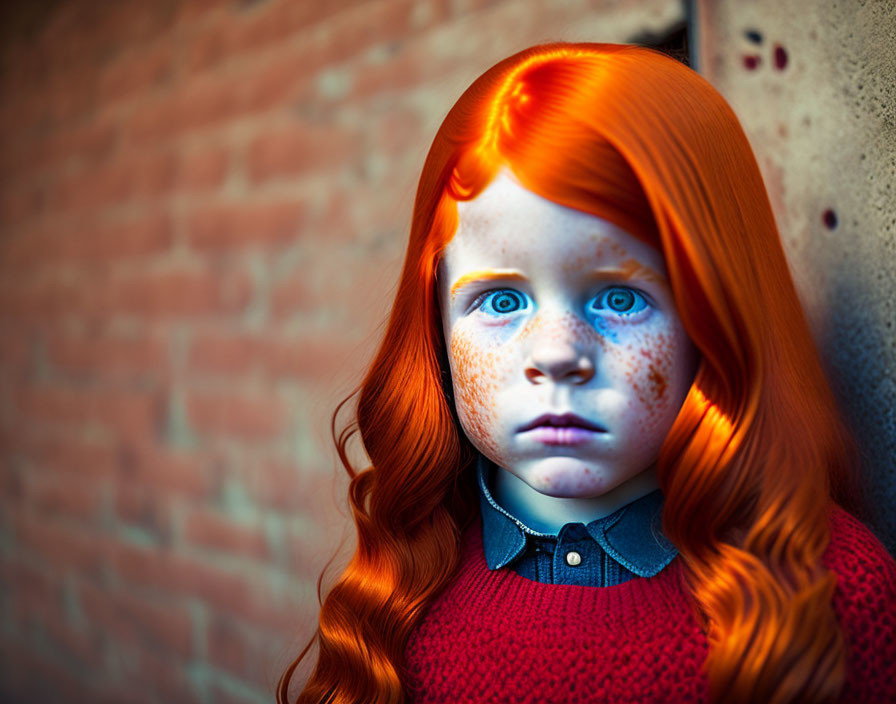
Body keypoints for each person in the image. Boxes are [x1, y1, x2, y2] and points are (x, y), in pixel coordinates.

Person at [279, 42, 896, 704]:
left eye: (620, 297)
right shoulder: (396, 590)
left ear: (717, 315)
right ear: (434, 327)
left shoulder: (839, 594)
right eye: (501, 300)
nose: (556, 354)